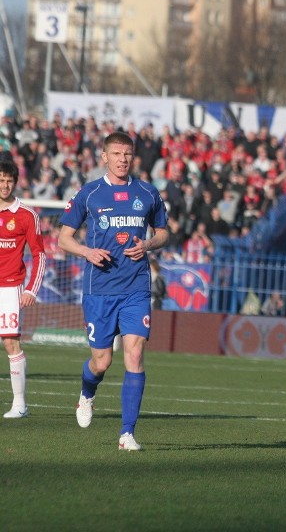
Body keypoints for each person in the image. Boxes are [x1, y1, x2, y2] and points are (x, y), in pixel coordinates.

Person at [58, 131, 169, 451]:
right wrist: (86, 252)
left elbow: (164, 233)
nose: (123, 159)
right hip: (100, 289)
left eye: (128, 154)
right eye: (117, 154)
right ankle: (87, 393)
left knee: (134, 354)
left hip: (135, 288)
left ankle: (127, 434)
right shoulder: (89, 193)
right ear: (104, 157)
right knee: (102, 362)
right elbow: (64, 238)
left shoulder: (147, 193)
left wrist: (148, 243)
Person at [0, 160, 45, 418]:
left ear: (15, 183)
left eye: (9, 180)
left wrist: (31, 289)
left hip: (10, 287)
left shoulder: (27, 215)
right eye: (1, 179)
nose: (5, 185)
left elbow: (40, 254)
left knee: (10, 342)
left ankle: (20, 404)